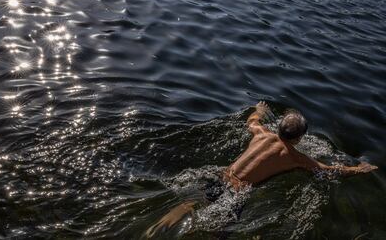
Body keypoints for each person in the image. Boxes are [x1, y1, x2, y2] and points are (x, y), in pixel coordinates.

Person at [146, 101, 378, 238]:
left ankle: (158, 226)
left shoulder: (261, 134)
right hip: (236, 192)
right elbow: (328, 170)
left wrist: (258, 109)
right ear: (299, 138)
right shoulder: (294, 156)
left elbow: (252, 121)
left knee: (191, 203)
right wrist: (360, 169)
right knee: (221, 232)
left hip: (222, 175)